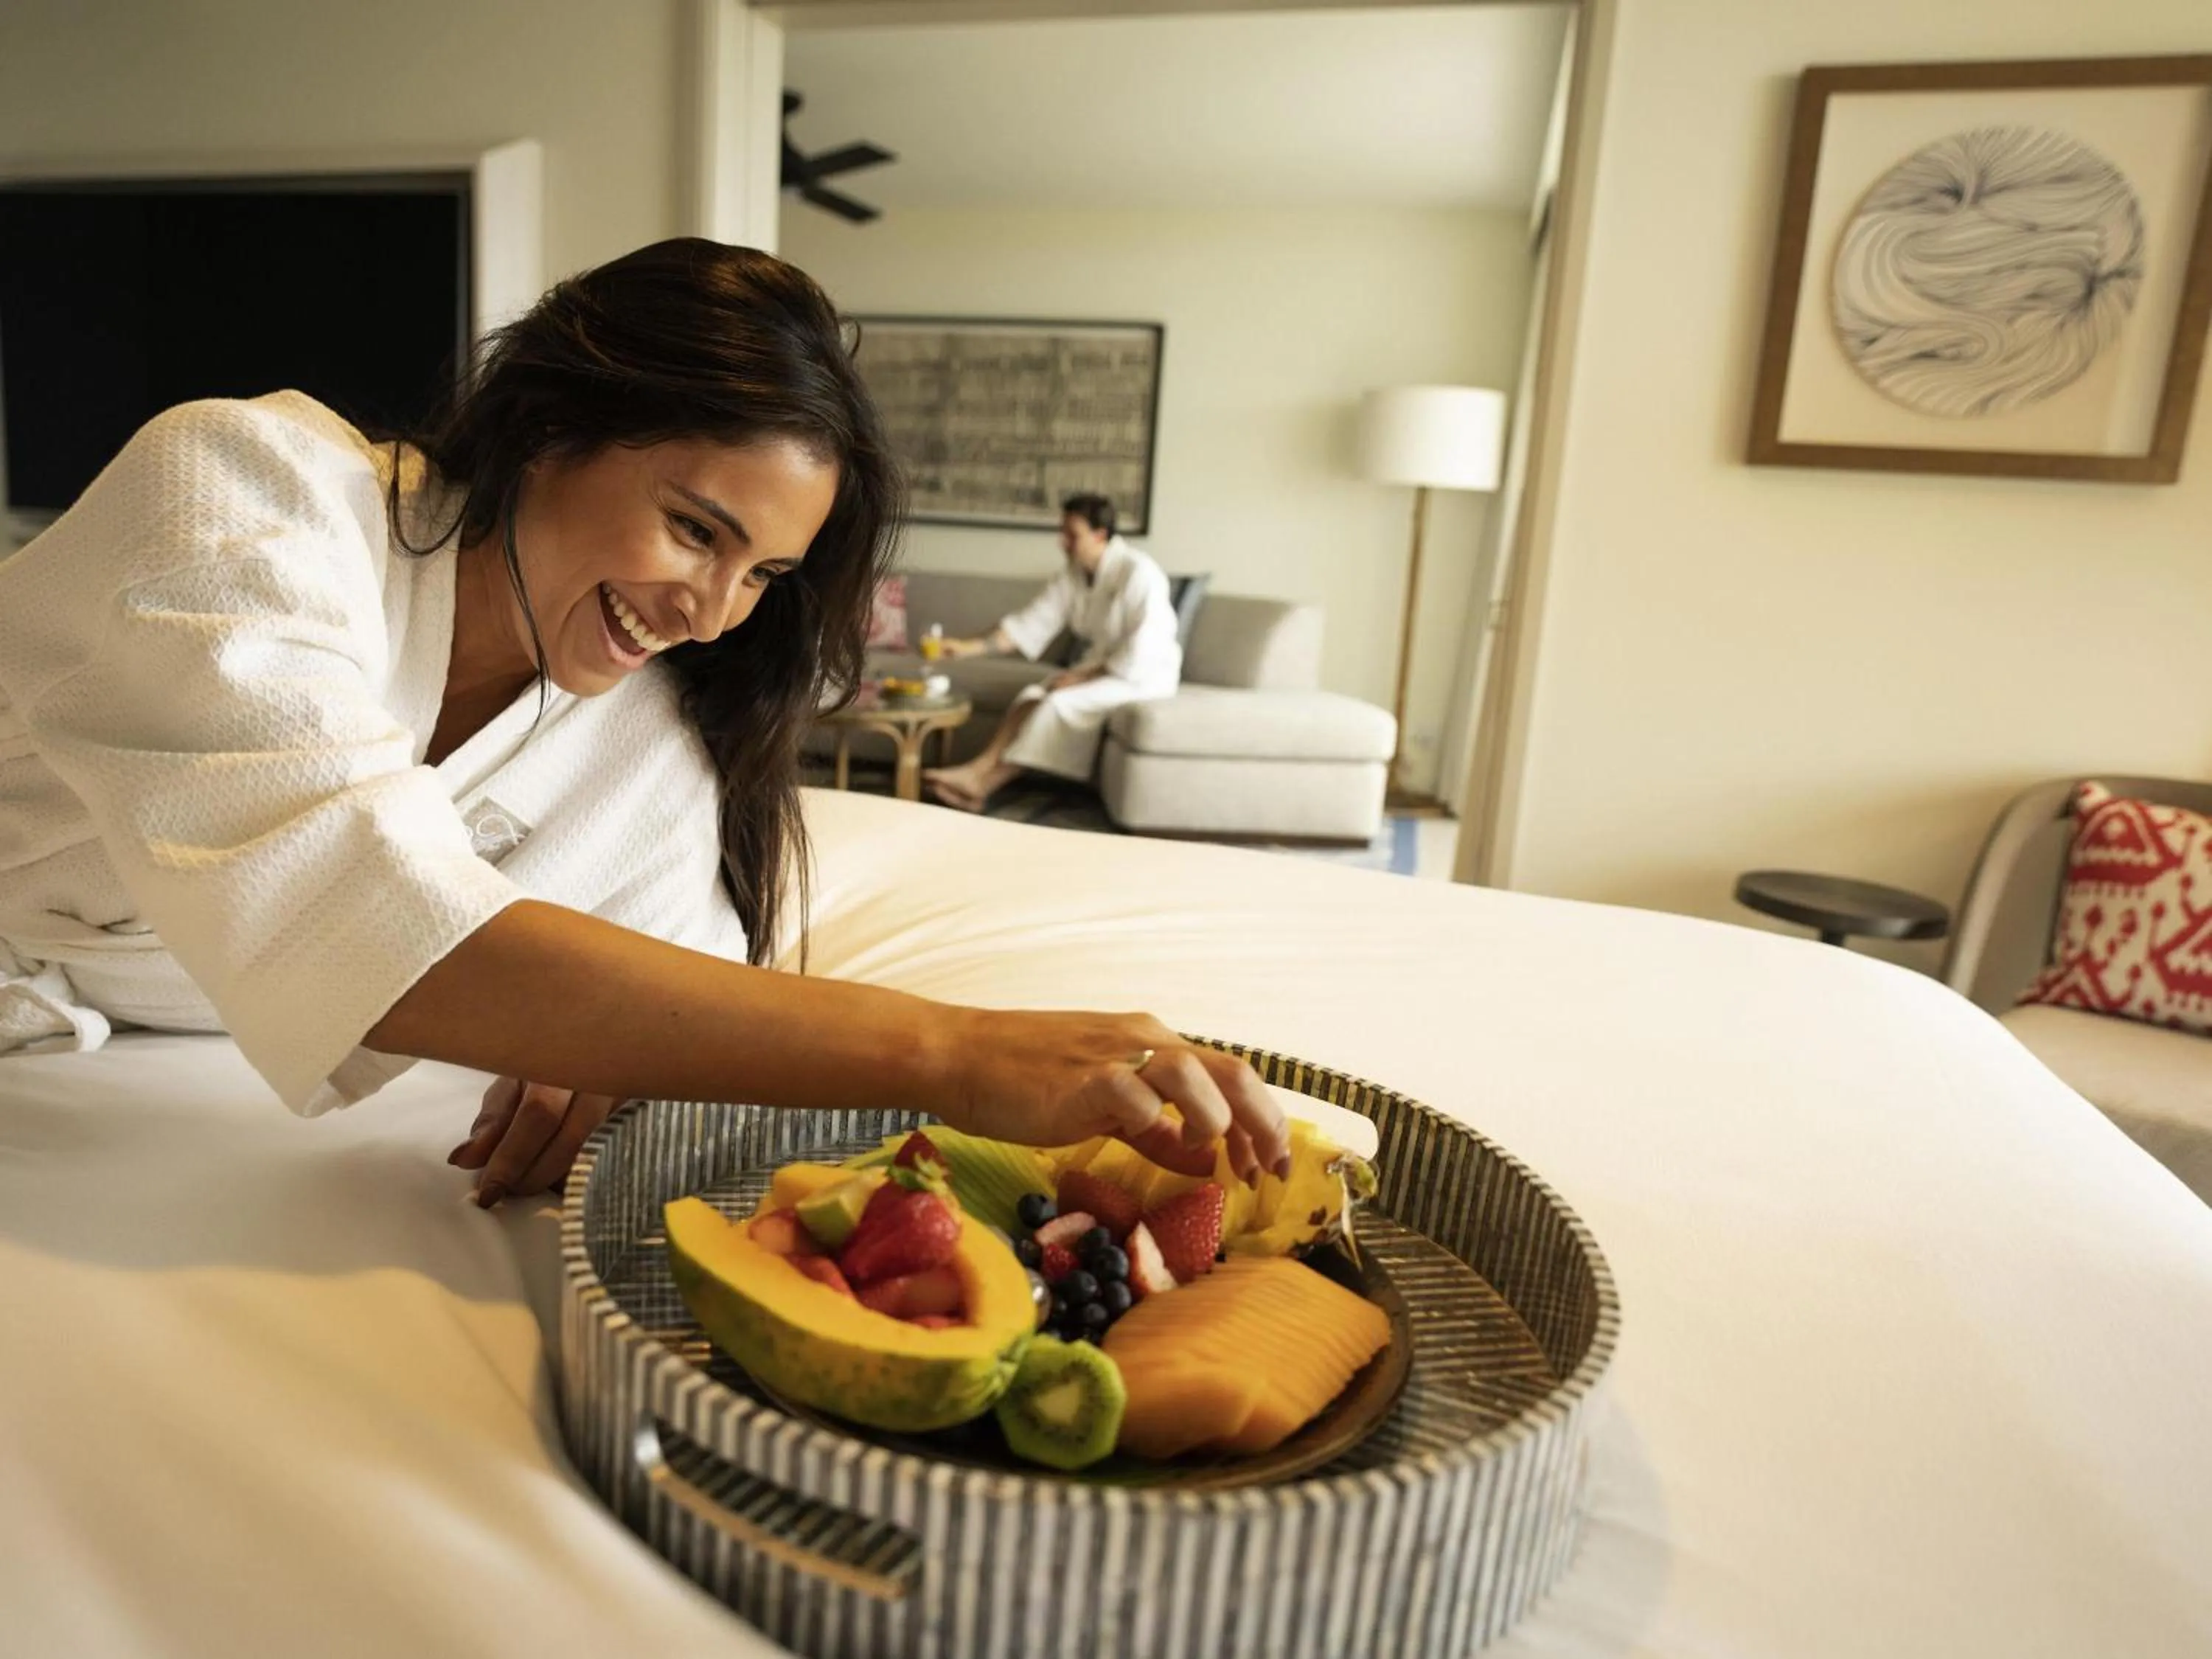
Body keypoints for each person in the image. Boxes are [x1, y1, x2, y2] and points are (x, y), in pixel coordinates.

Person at [0, 240, 1287, 1203]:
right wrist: (952, 1048)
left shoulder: (638, 729)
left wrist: (617, 1041)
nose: (712, 614)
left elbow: (697, 986)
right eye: (693, 529)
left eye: (762, 575)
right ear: (548, 426)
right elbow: (363, 916)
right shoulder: (240, 496)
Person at [922, 494, 1182, 812]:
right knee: (1032, 695)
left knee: (1058, 703)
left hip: (1142, 676)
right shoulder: (1073, 575)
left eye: (1072, 535)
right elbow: (1028, 625)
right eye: (1062, 532)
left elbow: (1143, 648)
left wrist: (1082, 678)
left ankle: (984, 785)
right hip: (1103, 667)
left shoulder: (1139, 572)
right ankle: (976, 771)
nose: (1062, 542)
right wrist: (965, 648)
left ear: (1100, 535)